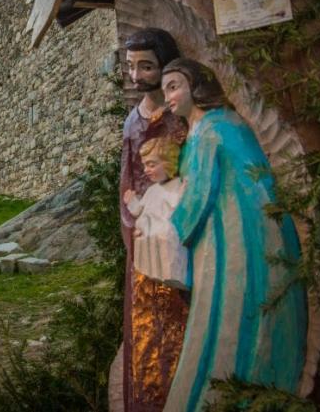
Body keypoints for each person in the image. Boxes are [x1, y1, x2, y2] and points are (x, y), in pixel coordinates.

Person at [161, 58, 307, 410]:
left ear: (196, 86)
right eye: (166, 89)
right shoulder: (207, 127)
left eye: (174, 86)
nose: (168, 96)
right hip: (227, 231)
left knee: (229, 312)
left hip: (240, 237)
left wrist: (166, 231)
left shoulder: (213, 128)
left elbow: (199, 195)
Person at [117, 28, 189, 411]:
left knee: (176, 319)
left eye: (146, 66)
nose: (136, 75)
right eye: (131, 66)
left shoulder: (178, 116)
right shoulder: (133, 120)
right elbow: (127, 178)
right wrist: (131, 222)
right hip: (143, 234)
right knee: (143, 325)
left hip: (174, 229)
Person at [123, 137, 189, 290]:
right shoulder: (152, 190)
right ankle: (153, 267)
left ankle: (169, 271)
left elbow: (178, 206)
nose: (146, 170)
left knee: (164, 234)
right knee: (144, 235)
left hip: (163, 230)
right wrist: (132, 202)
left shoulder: (174, 185)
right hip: (147, 234)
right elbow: (139, 209)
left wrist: (184, 192)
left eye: (151, 165)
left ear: (168, 164)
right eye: (145, 165)